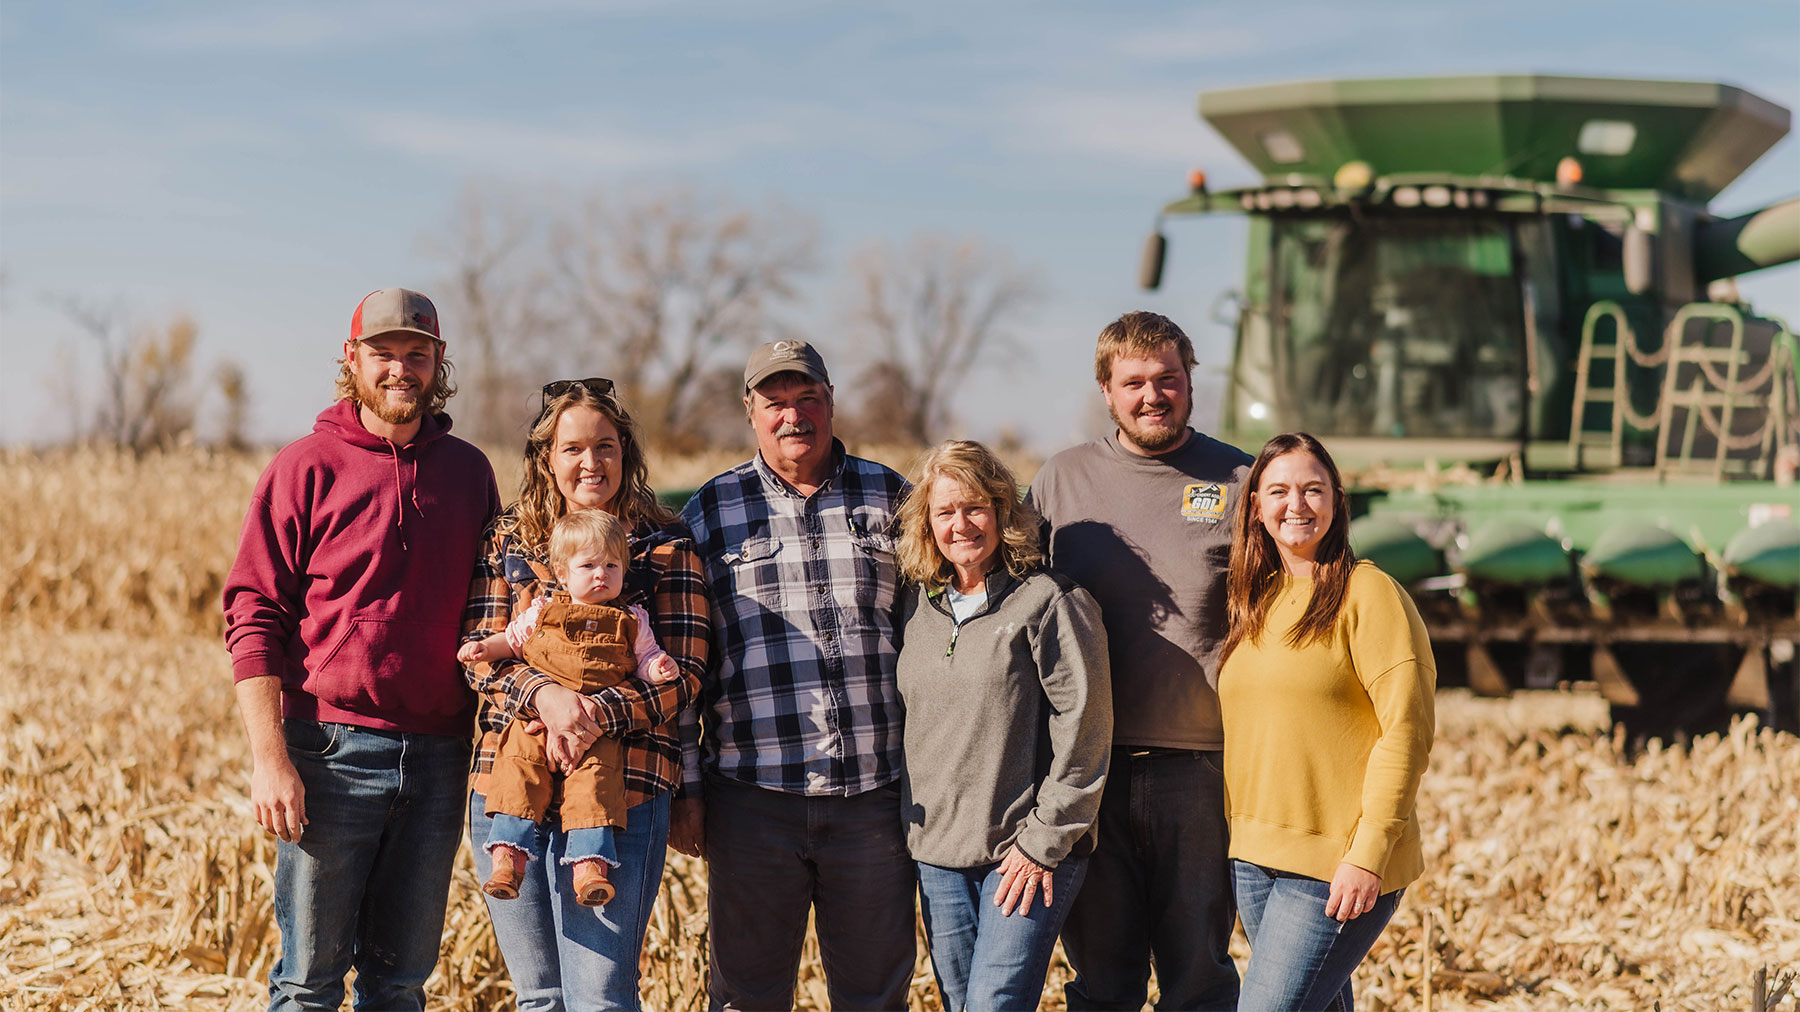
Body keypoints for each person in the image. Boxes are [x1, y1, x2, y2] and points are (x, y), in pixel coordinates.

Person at [223, 287, 500, 1011]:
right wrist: (269, 757)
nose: (401, 369)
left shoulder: (470, 473)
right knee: (309, 982)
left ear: (439, 363)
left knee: (400, 984)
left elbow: (497, 607)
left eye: (418, 354)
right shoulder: (304, 466)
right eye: (384, 354)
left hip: (440, 757)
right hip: (329, 752)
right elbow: (252, 613)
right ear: (352, 360)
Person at [679, 339, 915, 1011]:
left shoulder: (891, 497)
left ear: (831, 402)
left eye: (807, 398)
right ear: (749, 412)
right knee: (747, 997)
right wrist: (689, 791)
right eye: (775, 402)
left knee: (875, 996)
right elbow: (684, 662)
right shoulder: (709, 511)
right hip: (753, 800)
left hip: (873, 796)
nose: (793, 416)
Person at [461, 378, 711, 1012]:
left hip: (622, 787)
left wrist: (594, 712)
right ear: (547, 456)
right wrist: (545, 696)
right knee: (539, 997)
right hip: (508, 780)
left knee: (600, 997)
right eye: (572, 448)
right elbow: (480, 652)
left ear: (625, 452)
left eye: (605, 446)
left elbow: (684, 671)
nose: (590, 462)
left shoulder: (665, 542)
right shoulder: (510, 540)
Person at [1027, 310, 1253, 1011]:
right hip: (1089, 772)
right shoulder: (1060, 482)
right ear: (1106, 391)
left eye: (1168, 379)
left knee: (1200, 977)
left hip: (1202, 768)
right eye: (1134, 383)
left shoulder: (1241, 478)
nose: (1152, 395)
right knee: (1103, 981)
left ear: (1190, 383)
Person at [1217, 432, 1435, 1011]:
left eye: (1313, 490)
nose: (1297, 505)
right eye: (1280, 490)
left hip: (1335, 864)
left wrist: (1368, 853)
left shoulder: (1369, 592)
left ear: (1337, 500)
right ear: (1256, 507)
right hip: (1257, 858)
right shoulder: (1254, 598)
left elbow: (1406, 732)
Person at [895, 440, 1114, 1012]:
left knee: (995, 1004)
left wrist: (1044, 841)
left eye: (975, 508)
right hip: (939, 856)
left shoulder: (1050, 602)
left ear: (1001, 512)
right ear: (927, 523)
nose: (961, 525)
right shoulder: (917, 606)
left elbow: (1086, 727)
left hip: (1023, 853)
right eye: (945, 512)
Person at [459, 509, 680, 907]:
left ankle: (589, 865)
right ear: (562, 572)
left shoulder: (632, 619)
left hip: (597, 732)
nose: (601, 574)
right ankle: (509, 854)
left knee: (595, 783)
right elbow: (509, 643)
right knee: (517, 767)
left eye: (612, 565)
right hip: (536, 725)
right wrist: (482, 648)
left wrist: (658, 668)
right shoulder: (541, 611)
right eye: (589, 565)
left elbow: (646, 659)